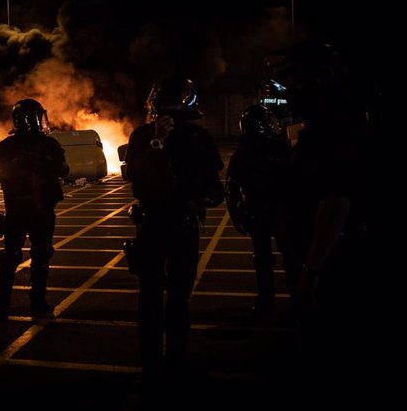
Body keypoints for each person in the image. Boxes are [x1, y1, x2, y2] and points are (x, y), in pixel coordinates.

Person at [267, 41, 369, 389]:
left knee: (323, 353)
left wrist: (311, 270)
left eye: (295, 85)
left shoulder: (335, 129)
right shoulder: (329, 125)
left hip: (331, 269)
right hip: (320, 260)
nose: (290, 94)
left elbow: (336, 203)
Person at [124, 76, 224, 387]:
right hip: (151, 224)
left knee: (180, 298)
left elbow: (214, 187)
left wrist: (201, 200)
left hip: (184, 226)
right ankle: (150, 365)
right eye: (163, 104)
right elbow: (137, 175)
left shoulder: (198, 138)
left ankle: (176, 360)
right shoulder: (141, 136)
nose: (168, 111)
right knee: (150, 298)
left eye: (173, 104)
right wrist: (157, 140)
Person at [0, 99, 69, 321]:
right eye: (37, 116)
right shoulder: (7, 146)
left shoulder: (48, 144)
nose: (41, 121)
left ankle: (38, 302)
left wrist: (44, 161)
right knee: (10, 257)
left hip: (43, 208)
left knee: (42, 256)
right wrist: (18, 164)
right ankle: (2, 304)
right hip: (17, 208)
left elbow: (64, 169)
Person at [225, 103, 291, 314]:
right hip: (268, 208)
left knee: (271, 256)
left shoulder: (275, 149)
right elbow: (232, 188)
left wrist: (237, 214)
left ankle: (267, 299)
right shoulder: (275, 149)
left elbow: (231, 189)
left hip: (270, 208)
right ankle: (272, 298)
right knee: (274, 256)